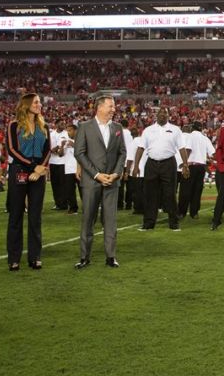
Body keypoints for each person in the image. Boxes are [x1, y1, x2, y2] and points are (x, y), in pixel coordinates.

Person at [74, 96, 128, 269]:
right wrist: (97, 174)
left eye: (114, 106)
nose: (114, 109)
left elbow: (122, 153)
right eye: (111, 106)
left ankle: (111, 257)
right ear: (99, 107)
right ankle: (84, 257)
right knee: (88, 219)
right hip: (91, 181)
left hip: (112, 181)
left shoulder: (118, 128)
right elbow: (79, 153)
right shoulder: (84, 127)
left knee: (110, 220)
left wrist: (116, 174)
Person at [5, 93, 51, 271]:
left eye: (40, 102)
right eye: (36, 102)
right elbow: (12, 150)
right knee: (15, 215)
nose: (40, 104)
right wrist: (34, 167)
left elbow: (47, 150)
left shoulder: (44, 125)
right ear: (26, 104)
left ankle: (35, 256)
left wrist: (40, 168)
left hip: (38, 173)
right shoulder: (14, 125)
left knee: (35, 216)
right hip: (20, 170)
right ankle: (13, 258)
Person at [136, 108, 184, 231]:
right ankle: (148, 224)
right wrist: (136, 166)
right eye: (160, 113)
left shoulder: (175, 129)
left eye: (165, 113)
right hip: (151, 163)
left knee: (170, 194)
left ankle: (174, 224)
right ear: (156, 115)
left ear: (169, 116)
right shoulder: (148, 130)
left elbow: (182, 148)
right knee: (150, 195)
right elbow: (141, 148)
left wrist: (186, 165)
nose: (163, 115)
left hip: (168, 163)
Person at [180, 121, 214, 220]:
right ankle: (194, 213)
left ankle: (182, 212)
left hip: (191, 166)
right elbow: (212, 153)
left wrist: (185, 163)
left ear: (192, 128)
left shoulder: (191, 136)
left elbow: (188, 150)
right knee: (197, 191)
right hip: (201, 168)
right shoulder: (205, 138)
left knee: (185, 190)